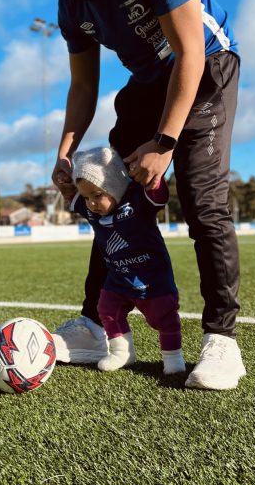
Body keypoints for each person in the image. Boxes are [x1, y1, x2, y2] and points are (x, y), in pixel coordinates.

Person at [12, 0, 246, 390]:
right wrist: (65, 154)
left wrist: (164, 143)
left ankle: (222, 340)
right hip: (145, 85)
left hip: (206, 68)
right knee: (106, 195)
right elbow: (82, 87)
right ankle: (98, 326)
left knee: (203, 203)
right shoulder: (71, 5)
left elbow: (188, 54)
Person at [70, 145, 185, 375]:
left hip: (152, 279)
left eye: (97, 195)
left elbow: (158, 194)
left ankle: (173, 358)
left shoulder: (137, 202)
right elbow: (72, 198)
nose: (90, 203)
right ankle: (122, 352)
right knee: (107, 309)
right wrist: (66, 179)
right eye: (86, 197)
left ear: (115, 186)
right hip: (117, 280)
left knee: (163, 317)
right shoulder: (92, 211)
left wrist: (155, 176)